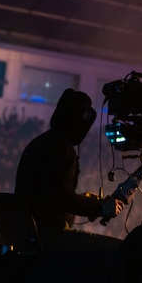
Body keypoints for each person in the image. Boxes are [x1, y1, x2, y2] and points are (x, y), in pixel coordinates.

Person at [14, 88, 123, 251]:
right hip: (49, 236)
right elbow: (62, 198)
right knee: (115, 251)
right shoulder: (63, 149)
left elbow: (50, 195)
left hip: (29, 233)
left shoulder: (38, 143)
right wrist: (101, 208)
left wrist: (86, 201)